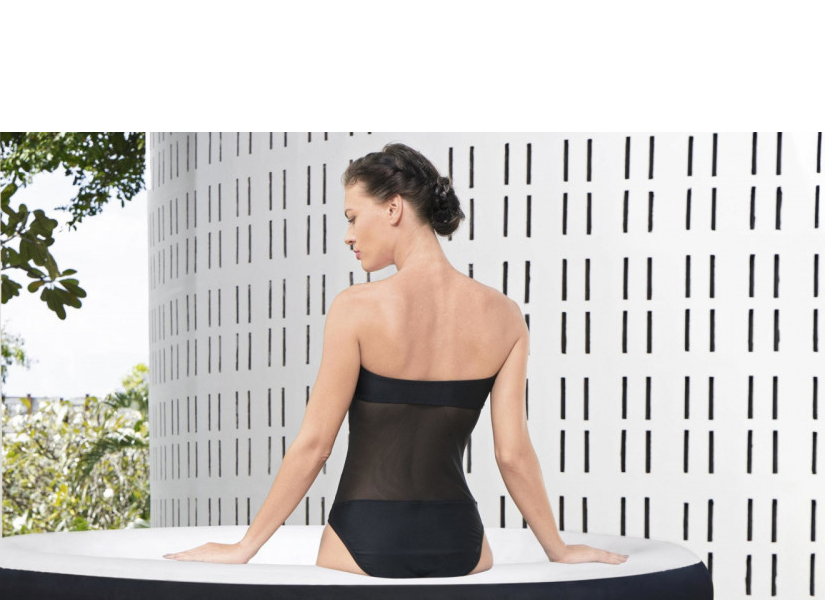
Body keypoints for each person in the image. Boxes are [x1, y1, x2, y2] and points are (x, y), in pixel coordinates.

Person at [163, 142, 628, 577]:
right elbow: (513, 454)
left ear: (393, 208)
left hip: (361, 542)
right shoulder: (505, 316)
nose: (348, 236)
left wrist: (245, 547)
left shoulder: (355, 308)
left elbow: (315, 444)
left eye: (352, 217)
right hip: (462, 544)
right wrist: (557, 549)